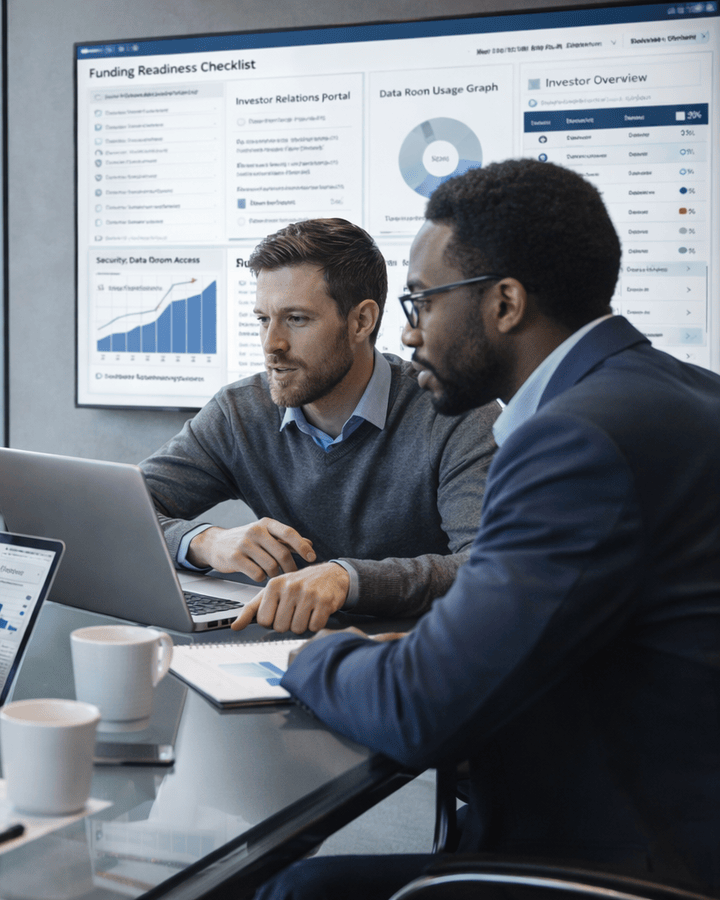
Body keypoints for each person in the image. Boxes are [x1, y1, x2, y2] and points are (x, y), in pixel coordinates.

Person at [260, 159, 720, 898]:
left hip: (620, 858)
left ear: (505, 303)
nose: (408, 335)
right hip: (670, 810)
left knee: (295, 891)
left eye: (422, 303)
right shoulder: (677, 392)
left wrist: (311, 655)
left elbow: (419, 710)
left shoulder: (573, 441)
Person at [141, 218, 497, 633]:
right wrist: (204, 542)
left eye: (296, 319)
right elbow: (121, 511)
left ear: (361, 321)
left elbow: (488, 562)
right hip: (285, 655)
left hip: (416, 660)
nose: (272, 344)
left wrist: (347, 579)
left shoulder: (455, 411)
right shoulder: (240, 412)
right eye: (262, 319)